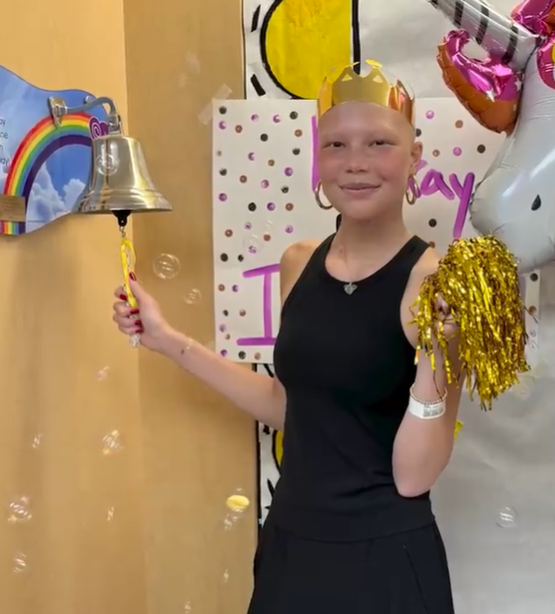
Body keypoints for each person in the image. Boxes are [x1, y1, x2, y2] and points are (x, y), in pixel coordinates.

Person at [111, 61, 462, 613]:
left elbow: (414, 476)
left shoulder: (438, 284)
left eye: (379, 143)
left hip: (386, 558)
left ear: (414, 156)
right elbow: (290, 406)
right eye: (336, 145)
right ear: (317, 158)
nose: (356, 163)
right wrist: (167, 339)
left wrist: (438, 355)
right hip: (291, 545)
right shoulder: (298, 263)